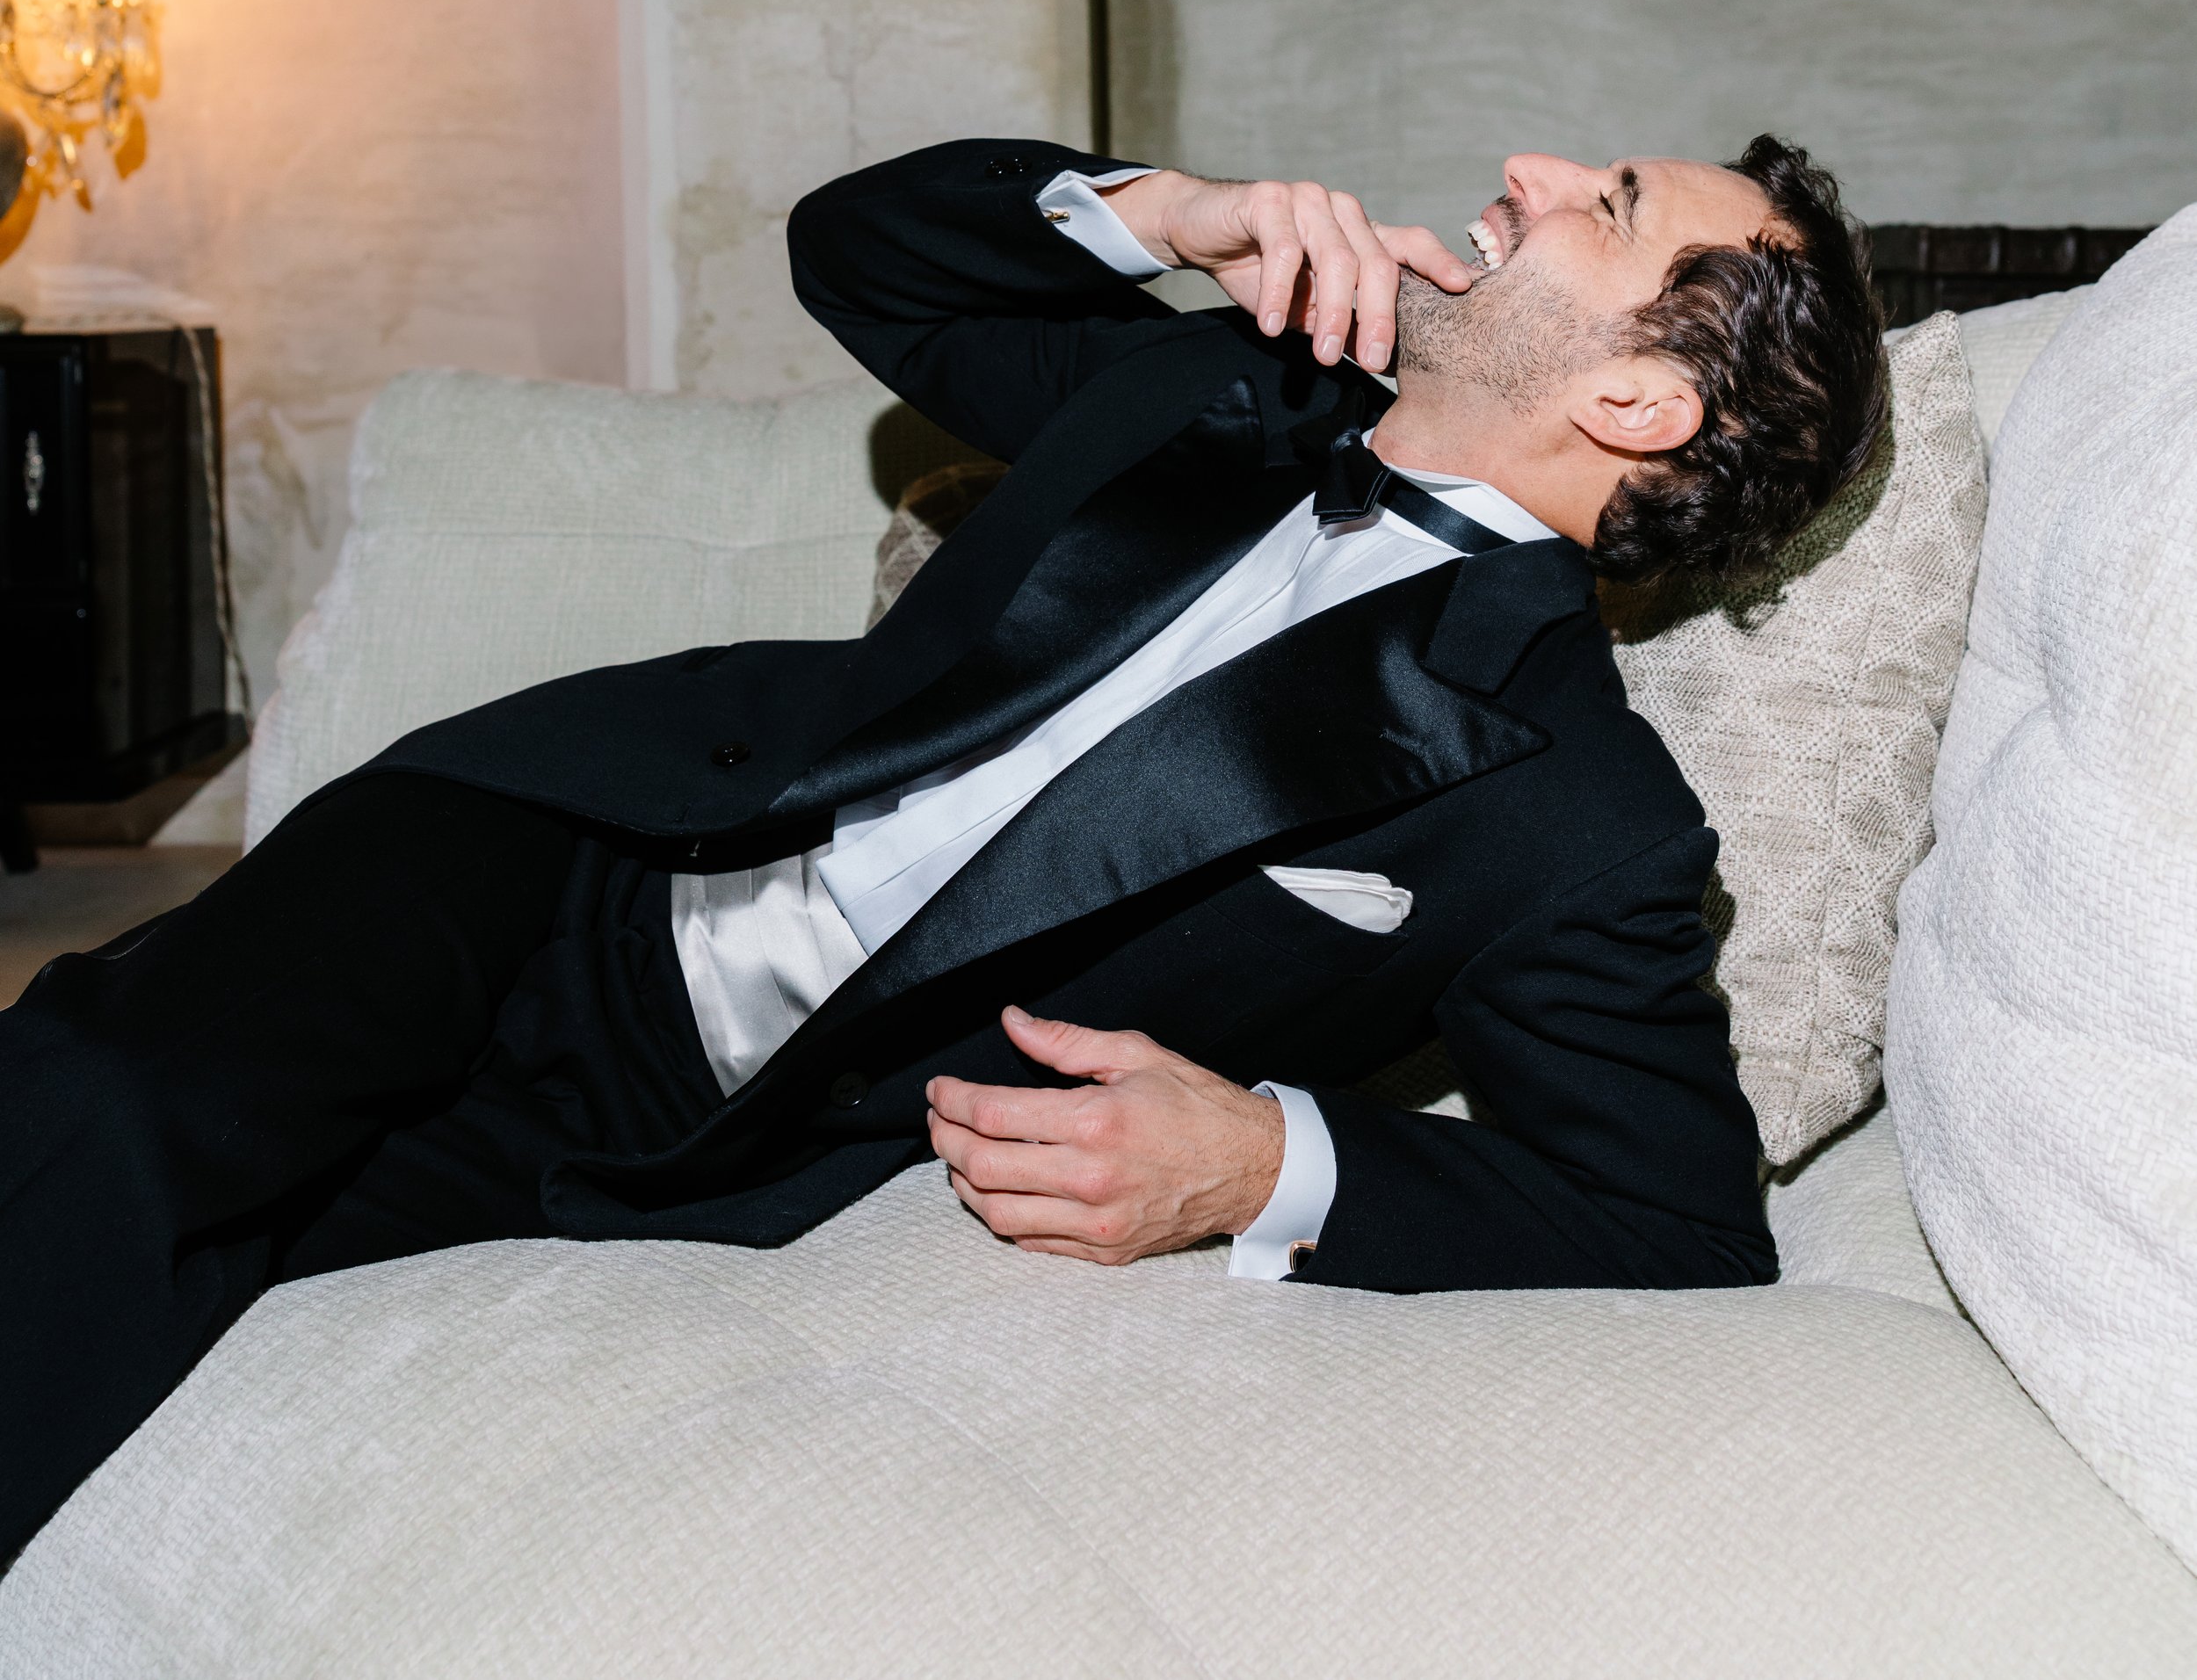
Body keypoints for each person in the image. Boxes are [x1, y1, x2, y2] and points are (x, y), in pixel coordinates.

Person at [0, 137, 1886, 1559]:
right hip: (557, 846)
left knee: (154, 1261)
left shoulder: (1577, 813)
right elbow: (861, 257)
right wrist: (1169, 212)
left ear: (1638, 403)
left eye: (1608, 206)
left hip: (706, 1126)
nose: (1529, 170)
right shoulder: (1232, 386)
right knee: (123, 1095)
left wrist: (1264, 1159)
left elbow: (1675, 1223)